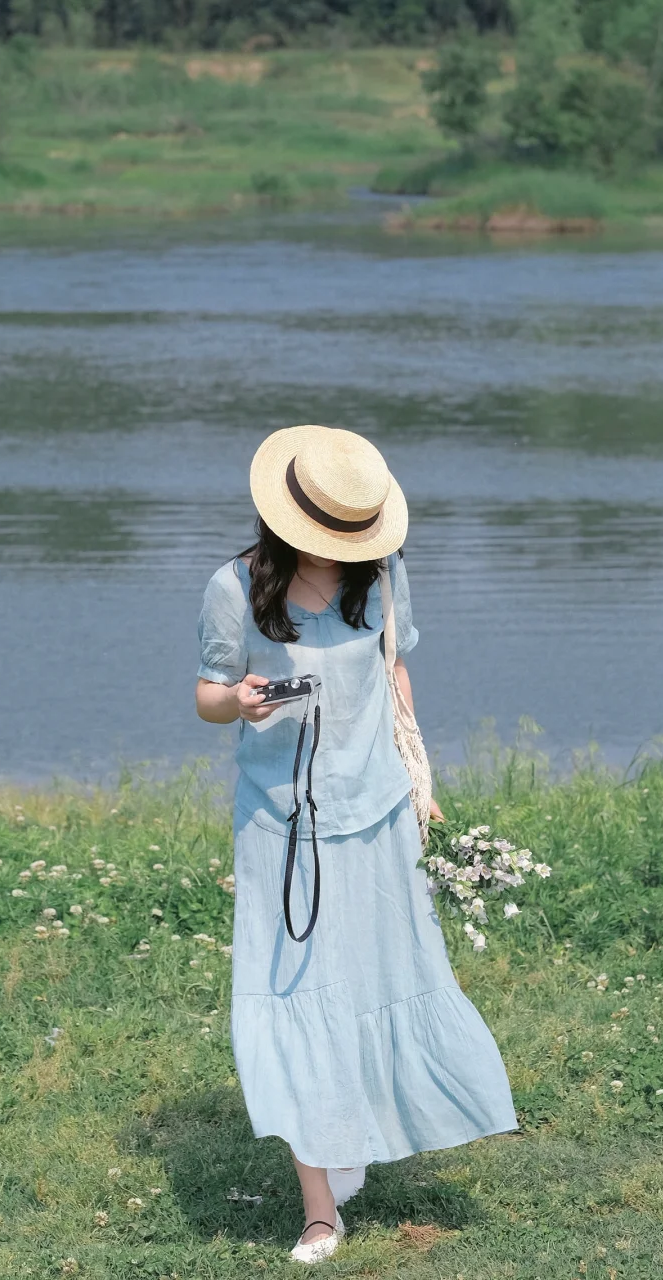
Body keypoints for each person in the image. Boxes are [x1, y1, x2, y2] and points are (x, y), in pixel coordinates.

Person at [195, 426, 517, 1264]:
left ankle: (350, 1138)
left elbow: (394, 672)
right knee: (298, 997)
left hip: (376, 815)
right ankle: (319, 1213)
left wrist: (421, 778)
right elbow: (205, 695)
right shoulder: (234, 588)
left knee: (377, 981)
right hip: (280, 824)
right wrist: (243, 700)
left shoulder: (385, 578)